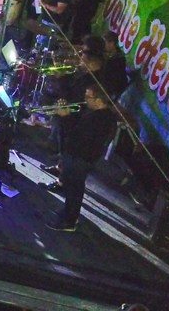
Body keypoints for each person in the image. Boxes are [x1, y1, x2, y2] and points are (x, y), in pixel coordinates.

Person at [48, 85, 118, 232]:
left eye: (88, 97)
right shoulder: (101, 115)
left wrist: (65, 116)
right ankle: (69, 215)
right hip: (80, 156)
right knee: (73, 188)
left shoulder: (101, 119)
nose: (85, 100)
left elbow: (76, 136)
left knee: (74, 189)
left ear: (99, 100)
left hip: (80, 157)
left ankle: (69, 221)